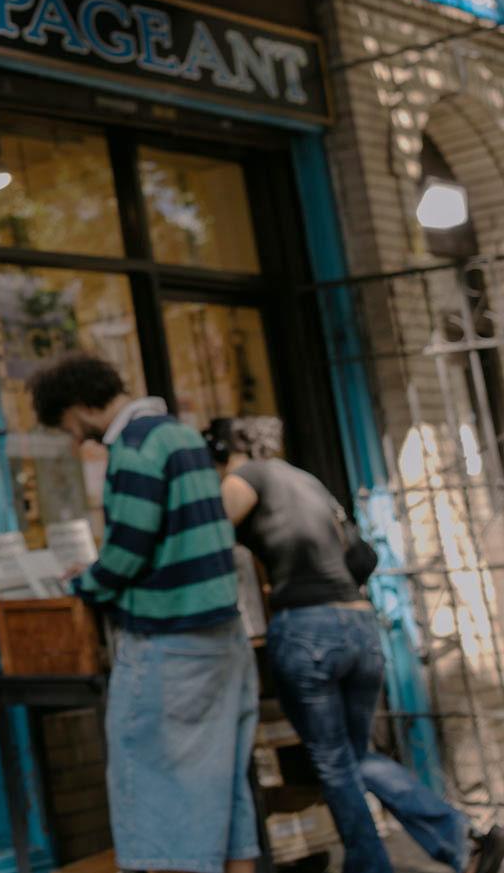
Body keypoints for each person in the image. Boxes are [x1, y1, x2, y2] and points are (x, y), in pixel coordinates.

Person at [212, 418, 504, 873]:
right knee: (354, 755)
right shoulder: (306, 480)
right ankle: (461, 838)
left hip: (309, 629)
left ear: (223, 450)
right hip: (357, 622)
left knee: (334, 762)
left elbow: (204, 537)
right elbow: (361, 556)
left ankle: (371, 865)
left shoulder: (244, 478)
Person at [28, 353, 257, 873]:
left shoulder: (133, 446)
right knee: (224, 782)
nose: (73, 436)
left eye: (66, 422)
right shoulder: (180, 435)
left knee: (155, 791)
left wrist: (83, 581)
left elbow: (128, 550)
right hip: (224, 634)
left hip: (170, 641)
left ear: (81, 406)